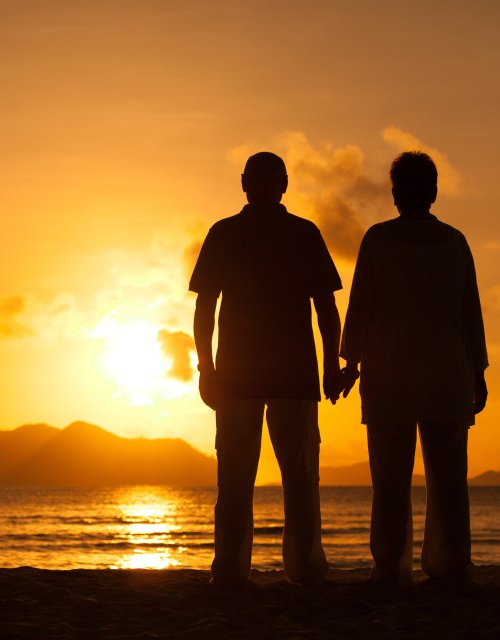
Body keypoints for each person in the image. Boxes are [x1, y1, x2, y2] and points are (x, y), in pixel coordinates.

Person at [189, 151, 347, 587]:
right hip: (290, 373)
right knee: (298, 478)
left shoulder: (226, 233)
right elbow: (327, 308)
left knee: (236, 477)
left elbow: (205, 307)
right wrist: (330, 365)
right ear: (284, 184)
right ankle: (305, 568)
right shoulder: (301, 232)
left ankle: (231, 571)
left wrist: (207, 367)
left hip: (244, 374)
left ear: (245, 182)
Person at [340, 151, 488, 586]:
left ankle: (389, 567)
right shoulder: (454, 242)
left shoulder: (378, 239)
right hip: (446, 369)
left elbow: (361, 306)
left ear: (395, 193)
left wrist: (350, 363)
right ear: (434, 191)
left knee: (389, 477)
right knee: (448, 478)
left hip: (390, 372)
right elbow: (470, 314)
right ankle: (451, 565)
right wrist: (478, 372)